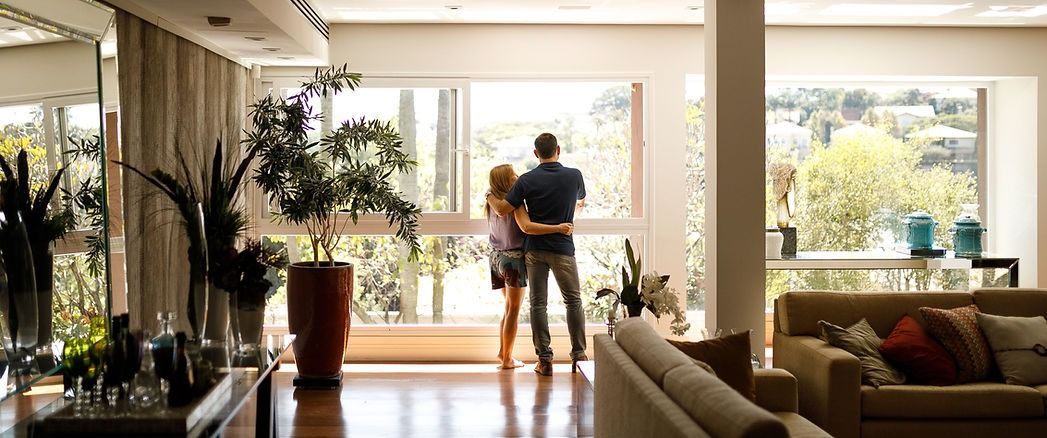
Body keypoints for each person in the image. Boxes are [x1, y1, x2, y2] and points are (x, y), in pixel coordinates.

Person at [487, 133, 586, 376]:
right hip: (563, 249)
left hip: (534, 251)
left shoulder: (526, 181)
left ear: (535, 153)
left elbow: (503, 209)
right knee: (573, 301)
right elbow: (580, 201)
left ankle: (545, 360)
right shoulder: (574, 175)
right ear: (558, 149)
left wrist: (489, 195)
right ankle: (579, 356)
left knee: (538, 305)